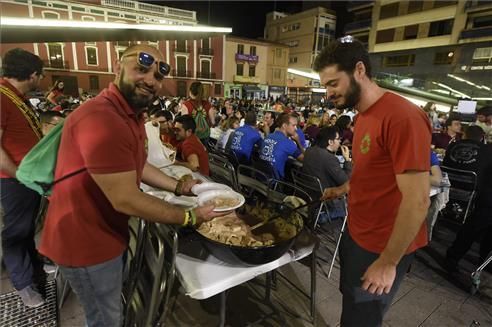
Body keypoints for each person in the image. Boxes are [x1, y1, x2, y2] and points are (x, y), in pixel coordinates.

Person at [39, 45, 224, 326]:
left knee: (113, 307)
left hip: (106, 235)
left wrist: (180, 188)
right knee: (105, 319)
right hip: (85, 243)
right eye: (141, 68)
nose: (151, 80)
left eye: (158, 75)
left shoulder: (130, 114)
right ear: (117, 67)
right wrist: (190, 216)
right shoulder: (103, 118)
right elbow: (125, 198)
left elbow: (137, 166)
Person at [314, 37, 431, 326]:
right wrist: (342, 188)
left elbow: (418, 201)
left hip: (382, 245)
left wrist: (388, 262)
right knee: (351, 307)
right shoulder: (364, 115)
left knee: (362, 319)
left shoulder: (402, 117)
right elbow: (370, 173)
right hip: (357, 234)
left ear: (359, 70)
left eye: (332, 83)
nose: (327, 93)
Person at [0, 48, 46, 307]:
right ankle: (23, 283)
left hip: (25, 177)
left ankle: (33, 264)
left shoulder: (14, 95)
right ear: (32, 75)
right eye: (40, 76)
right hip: (13, 179)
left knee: (27, 226)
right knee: (16, 231)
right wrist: (19, 175)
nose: (41, 81)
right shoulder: (2, 97)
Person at [443, 125, 492, 273]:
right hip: (476, 196)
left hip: (449, 188)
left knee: (480, 223)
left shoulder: (453, 145)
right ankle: (483, 266)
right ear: (482, 136)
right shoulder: (487, 151)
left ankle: (454, 257)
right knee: (483, 222)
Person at [303, 126, 352, 222]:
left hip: (309, 194)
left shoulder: (309, 150)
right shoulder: (329, 158)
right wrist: (347, 160)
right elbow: (346, 181)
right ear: (330, 142)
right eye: (338, 139)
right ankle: (325, 216)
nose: (340, 142)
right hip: (325, 199)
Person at [259, 113, 304, 179]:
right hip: (275, 183)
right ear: (284, 126)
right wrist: (298, 141)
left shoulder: (268, 136)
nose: (296, 128)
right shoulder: (288, 143)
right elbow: (304, 160)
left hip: (260, 177)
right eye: (293, 125)